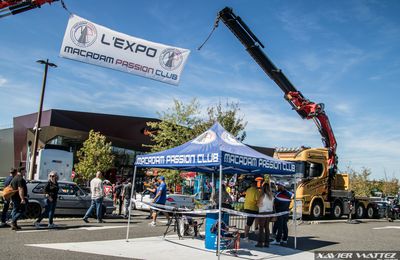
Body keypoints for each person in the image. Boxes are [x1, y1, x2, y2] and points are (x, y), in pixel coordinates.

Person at [256, 182, 274, 247]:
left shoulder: (262, 196)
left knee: (261, 228)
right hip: (269, 213)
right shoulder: (271, 196)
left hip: (263, 213)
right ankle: (267, 243)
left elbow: (259, 204)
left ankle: (260, 243)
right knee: (267, 228)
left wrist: (257, 203)